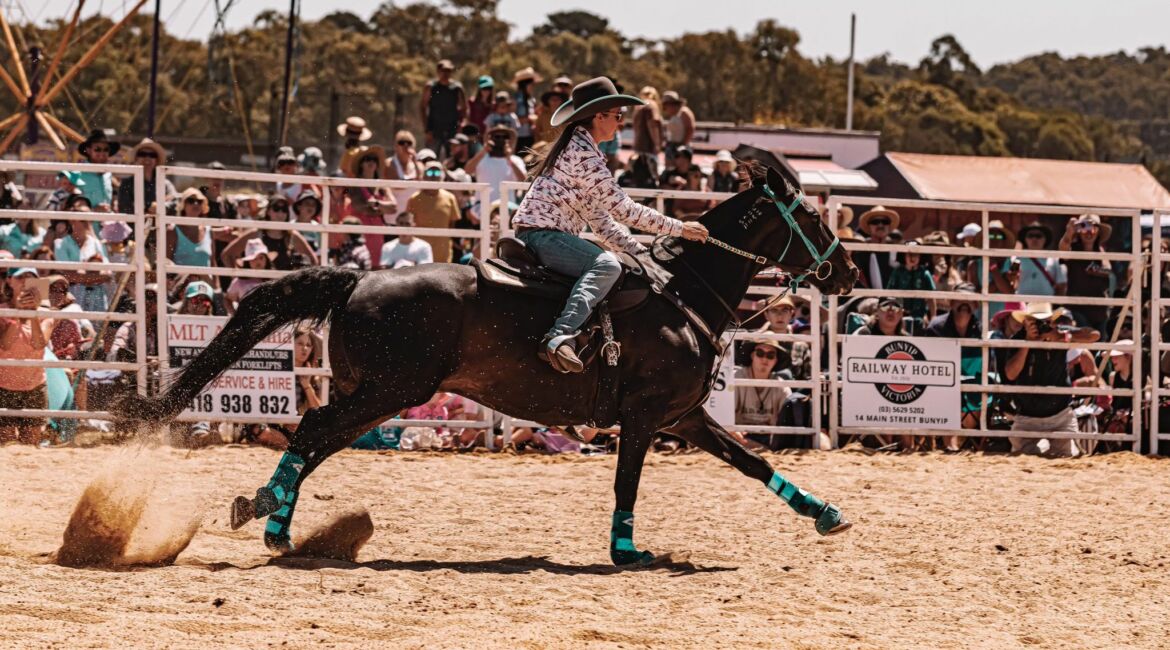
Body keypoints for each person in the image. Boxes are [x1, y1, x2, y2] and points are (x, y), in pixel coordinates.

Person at [511, 77, 708, 372]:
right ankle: (559, 336)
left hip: (539, 234)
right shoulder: (584, 156)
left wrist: (642, 256)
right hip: (545, 236)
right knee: (607, 266)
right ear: (598, 116)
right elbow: (624, 210)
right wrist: (679, 228)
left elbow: (604, 225)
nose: (621, 122)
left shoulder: (577, 150)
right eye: (617, 115)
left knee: (612, 261)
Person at [997, 302, 1099, 457]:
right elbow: (1011, 374)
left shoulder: (1060, 333)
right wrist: (1027, 343)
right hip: (1026, 415)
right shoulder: (1017, 339)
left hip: (1060, 414)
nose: (1040, 326)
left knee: (1067, 457)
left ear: (1051, 321)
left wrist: (1061, 336)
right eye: (1035, 322)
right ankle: (1045, 448)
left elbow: (1094, 335)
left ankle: (1045, 448)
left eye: (1044, 321)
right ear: (1025, 322)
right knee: (1021, 457)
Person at [925, 283, 982, 451]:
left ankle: (967, 445)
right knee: (948, 392)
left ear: (976, 306)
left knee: (975, 394)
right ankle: (951, 445)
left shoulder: (981, 330)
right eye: (959, 299)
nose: (964, 304)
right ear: (951, 303)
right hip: (941, 384)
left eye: (969, 300)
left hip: (970, 384)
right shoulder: (935, 328)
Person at [0, 268, 54, 444]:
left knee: (30, 443)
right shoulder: (2, 311)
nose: (25, 281)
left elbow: (39, 344)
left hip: (34, 386)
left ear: (38, 284)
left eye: (30, 278)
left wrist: (32, 313)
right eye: (20, 277)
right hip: (3, 385)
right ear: (10, 281)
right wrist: (19, 314)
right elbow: (5, 346)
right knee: (6, 443)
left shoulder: (47, 315)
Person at [220, 194, 317, 271]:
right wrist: (238, 279)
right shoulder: (256, 233)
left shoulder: (292, 235)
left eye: (284, 210)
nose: (280, 213)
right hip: (259, 288)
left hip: (285, 289)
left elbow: (313, 261)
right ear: (268, 211)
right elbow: (227, 255)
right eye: (276, 209)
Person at [731, 337, 792, 451]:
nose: (765, 359)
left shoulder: (782, 387)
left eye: (770, 355)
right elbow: (725, 417)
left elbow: (786, 425)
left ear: (775, 360)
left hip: (769, 437)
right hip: (740, 434)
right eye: (760, 353)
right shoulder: (736, 378)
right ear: (752, 356)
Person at [343, 146, 397, 268]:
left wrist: (376, 204)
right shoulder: (354, 184)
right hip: (359, 231)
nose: (371, 162)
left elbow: (394, 207)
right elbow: (358, 206)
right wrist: (381, 208)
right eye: (367, 159)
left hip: (377, 232)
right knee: (360, 267)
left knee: (377, 268)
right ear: (361, 164)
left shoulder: (382, 185)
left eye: (374, 159)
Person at [53, 196, 110, 313]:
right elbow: (67, 276)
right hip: (71, 300)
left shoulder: (96, 243)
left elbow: (108, 274)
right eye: (82, 217)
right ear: (71, 219)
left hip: (97, 301)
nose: (86, 220)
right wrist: (93, 275)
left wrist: (80, 274)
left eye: (88, 217)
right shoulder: (60, 244)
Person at [1059, 213, 1113, 335]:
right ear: (1078, 231)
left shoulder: (1102, 253)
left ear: (1099, 231)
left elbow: (1108, 271)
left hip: (1100, 311)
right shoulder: (1073, 249)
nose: (1089, 231)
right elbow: (1063, 251)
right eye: (1084, 226)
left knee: (1099, 346)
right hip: (1077, 309)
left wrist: (1096, 270)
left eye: (1093, 227)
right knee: (1084, 342)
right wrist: (1069, 232)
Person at [405, 161, 460, 262]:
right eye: (430, 173)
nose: (433, 176)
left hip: (443, 254)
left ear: (442, 176)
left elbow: (452, 224)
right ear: (424, 175)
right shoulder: (414, 199)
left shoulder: (450, 197)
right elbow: (408, 224)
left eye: (437, 173)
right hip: (420, 254)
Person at [167, 188, 232, 268]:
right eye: (191, 200)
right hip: (182, 280)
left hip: (206, 280)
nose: (195, 204)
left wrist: (216, 281)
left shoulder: (208, 230)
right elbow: (166, 261)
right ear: (183, 204)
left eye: (199, 201)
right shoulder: (172, 230)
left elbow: (212, 263)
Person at [466, 124, 526, 204]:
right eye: (497, 137)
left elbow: (523, 180)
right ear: (490, 139)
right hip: (482, 206)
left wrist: (509, 159)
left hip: (507, 207)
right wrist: (484, 150)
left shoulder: (515, 160)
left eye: (505, 137)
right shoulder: (481, 158)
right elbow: (467, 171)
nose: (501, 140)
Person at [420, 59, 467, 157]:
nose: (446, 74)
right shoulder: (431, 87)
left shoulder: (457, 88)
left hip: (452, 129)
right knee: (430, 157)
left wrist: (461, 124)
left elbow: (464, 108)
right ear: (438, 71)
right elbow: (423, 107)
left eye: (448, 71)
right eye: (443, 71)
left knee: (453, 158)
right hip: (434, 129)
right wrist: (427, 129)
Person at [117, 138, 176, 215]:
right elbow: (124, 207)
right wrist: (150, 208)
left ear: (156, 160)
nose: (147, 158)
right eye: (142, 154)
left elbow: (175, 201)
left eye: (152, 155)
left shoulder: (165, 184)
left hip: (161, 226)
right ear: (136, 158)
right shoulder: (127, 184)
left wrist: (162, 206)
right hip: (134, 226)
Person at [886, 239, 936, 326]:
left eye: (916, 254)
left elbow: (931, 298)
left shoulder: (924, 274)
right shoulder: (898, 272)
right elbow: (890, 294)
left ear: (920, 256)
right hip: (899, 315)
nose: (912, 257)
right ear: (904, 256)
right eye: (909, 254)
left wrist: (933, 318)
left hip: (920, 315)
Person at [1015, 221, 1066, 298]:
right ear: (1025, 239)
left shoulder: (1055, 259)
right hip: (1022, 305)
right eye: (1030, 236)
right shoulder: (1016, 258)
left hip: (1046, 306)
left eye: (1038, 236)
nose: (1034, 239)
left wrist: (1055, 306)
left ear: (1045, 239)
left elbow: (1062, 285)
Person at [853, 206, 899, 289]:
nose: (880, 225)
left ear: (889, 226)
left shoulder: (897, 252)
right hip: (867, 299)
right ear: (869, 226)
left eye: (885, 222)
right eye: (875, 221)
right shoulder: (860, 252)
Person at [75, 129, 117, 212]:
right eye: (97, 149)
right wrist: (93, 210)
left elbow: (113, 198)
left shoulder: (109, 174)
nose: (102, 153)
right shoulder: (78, 174)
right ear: (88, 150)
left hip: (108, 223)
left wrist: (115, 203)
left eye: (106, 149)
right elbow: (71, 206)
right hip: (87, 224)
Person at [387, 130, 425, 214]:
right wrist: (413, 182)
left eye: (409, 143)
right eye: (401, 142)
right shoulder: (389, 163)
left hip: (413, 214)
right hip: (395, 212)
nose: (405, 145)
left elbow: (421, 182)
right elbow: (397, 185)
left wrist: (415, 161)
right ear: (396, 146)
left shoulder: (418, 165)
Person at [660, 91, 695, 165]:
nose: (666, 108)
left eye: (667, 104)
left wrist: (683, 145)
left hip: (681, 146)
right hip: (671, 145)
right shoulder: (673, 115)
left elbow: (690, 128)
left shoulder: (684, 112)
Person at [512, 67, 542, 153]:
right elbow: (515, 120)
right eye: (532, 84)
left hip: (529, 136)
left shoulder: (531, 99)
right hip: (519, 137)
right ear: (525, 84)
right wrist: (530, 119)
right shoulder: (516, 99)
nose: (533, 87)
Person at [631, 86, 662, 157]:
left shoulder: (638, 106)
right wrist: (657, 144)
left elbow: (635, 127)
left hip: (638, 144)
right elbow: (653, 125)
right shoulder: (652, 105)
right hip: (649, 146)